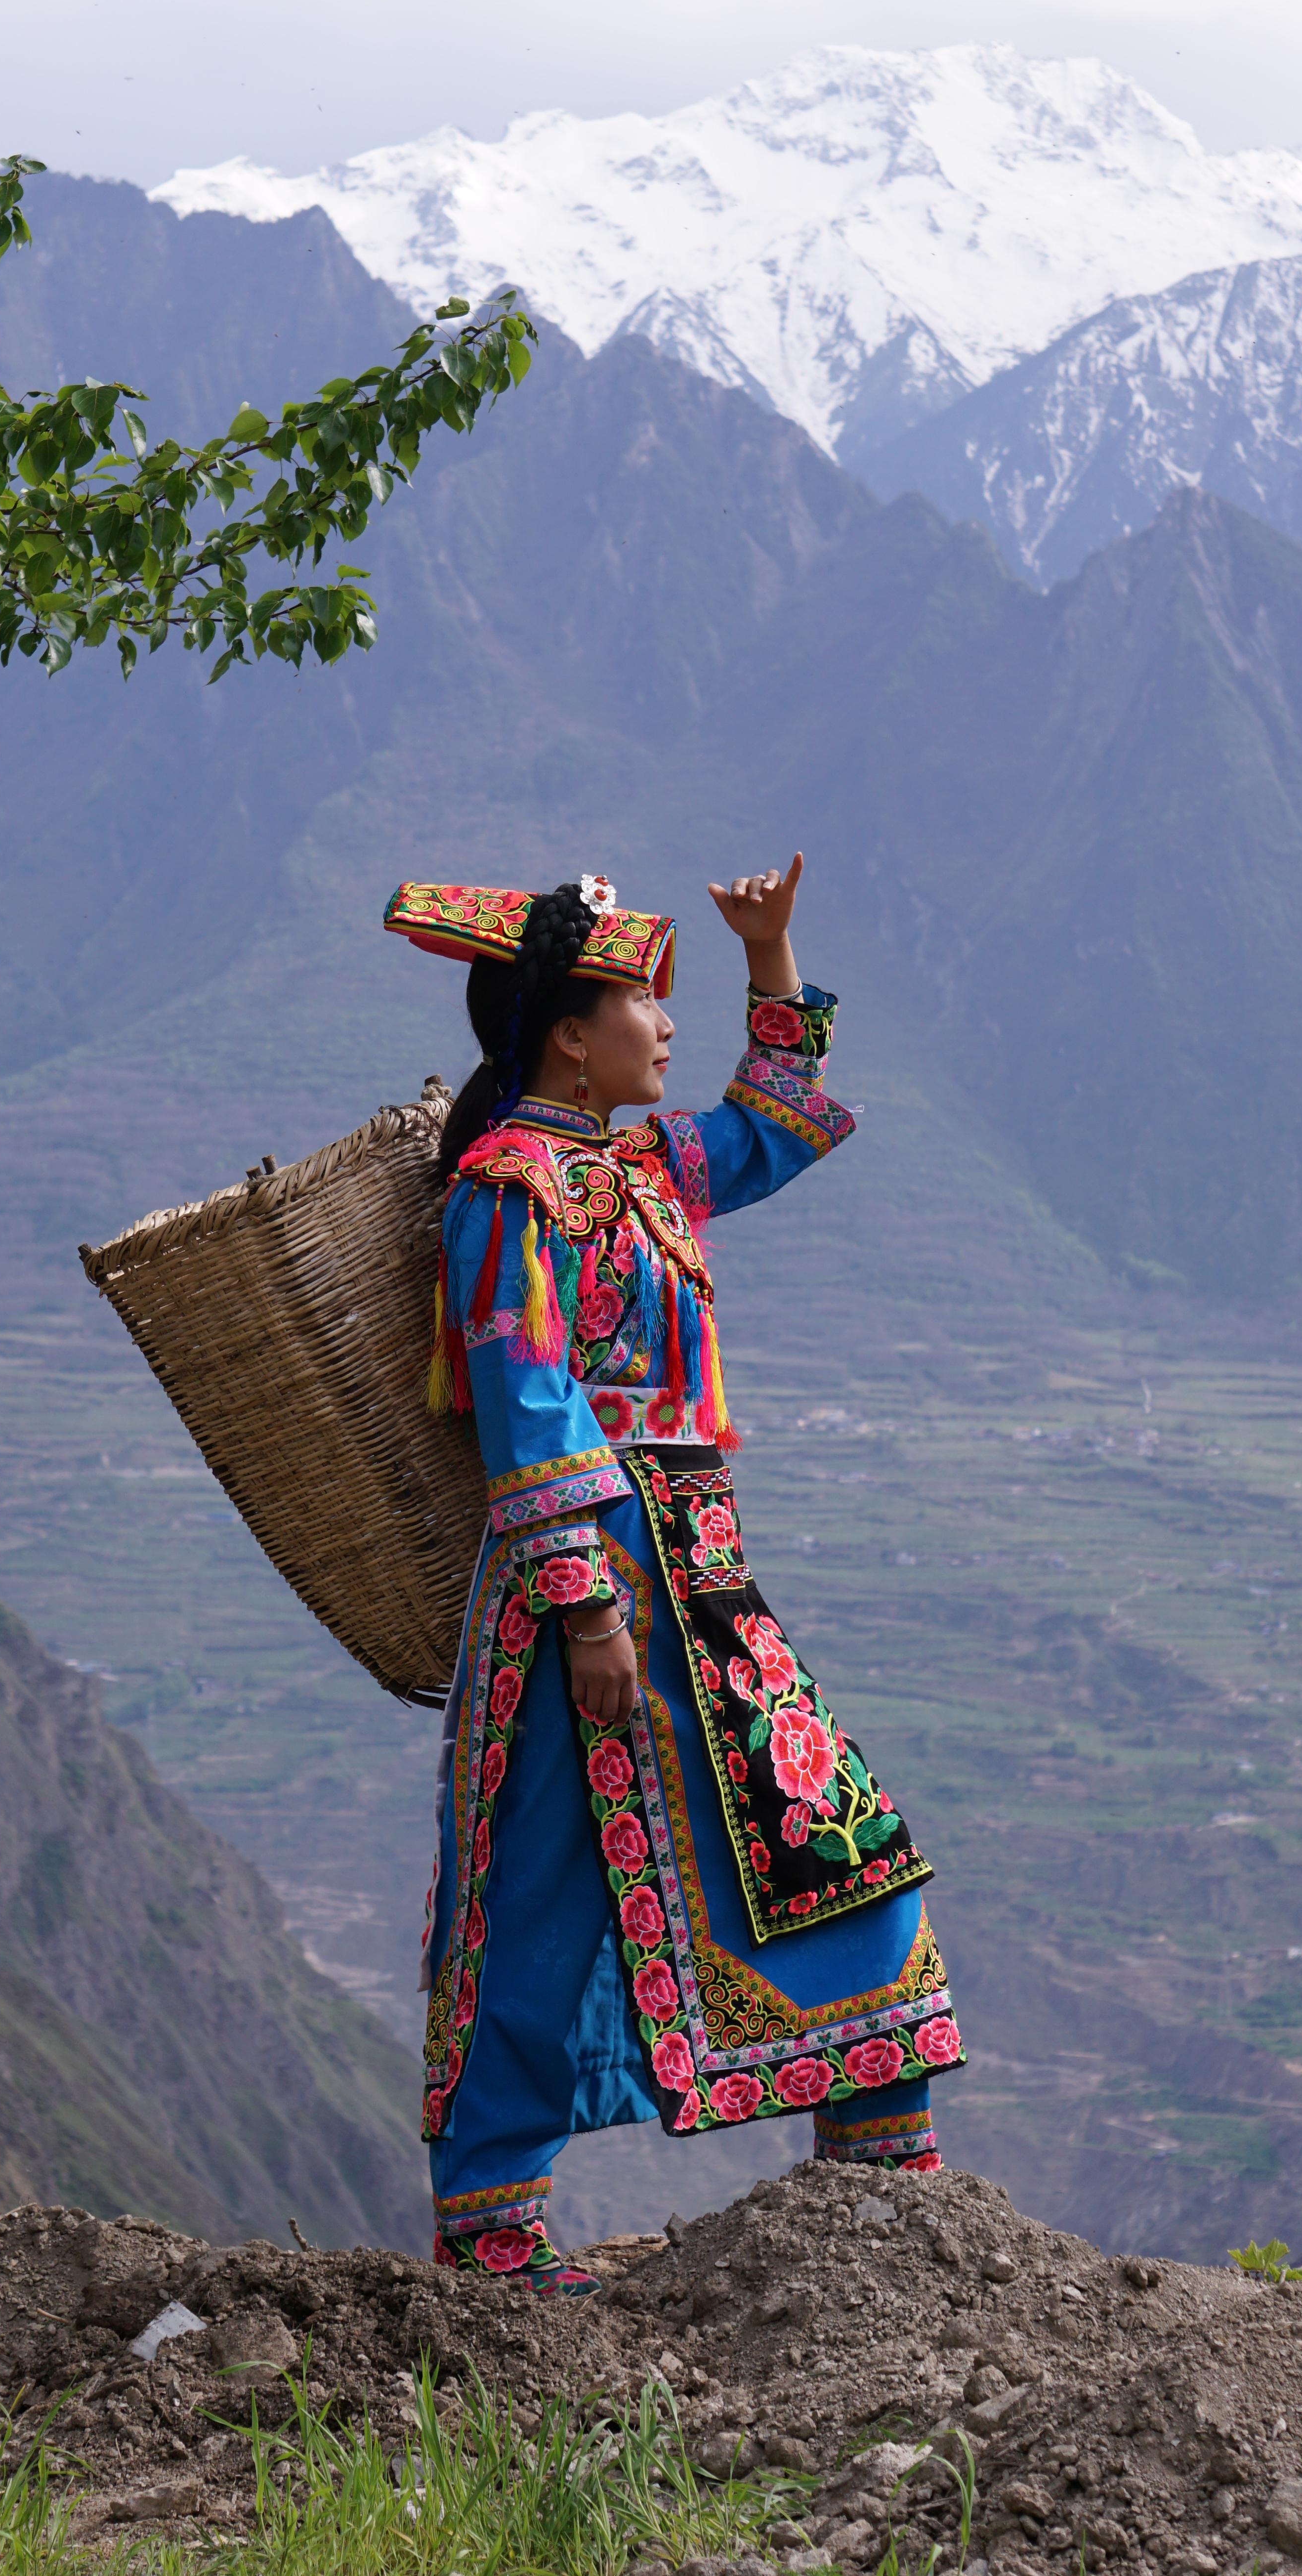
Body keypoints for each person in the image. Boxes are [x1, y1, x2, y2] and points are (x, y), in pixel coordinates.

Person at [384, 858, 964, 2293]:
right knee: (544, 1889)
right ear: (570, 1037)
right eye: (646, 1001)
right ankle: (496, 2236)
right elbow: (530, 1403)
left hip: (701, 1576)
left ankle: (883, 2162)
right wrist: (585, 1608)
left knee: (827, 1835)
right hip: (581, 1587)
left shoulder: (646, 1171)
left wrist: (771, 957)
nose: (664, 1025)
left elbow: (779, 1125)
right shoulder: (505, 1191)